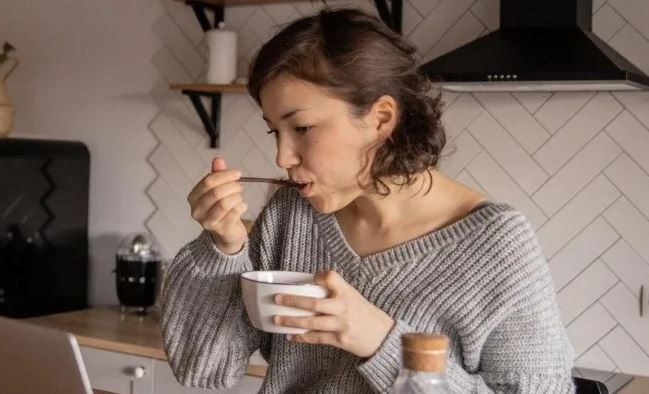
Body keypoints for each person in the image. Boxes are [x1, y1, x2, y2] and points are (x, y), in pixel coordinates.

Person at [161, 7, 575, 394]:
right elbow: (203, 368)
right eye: (275, 131)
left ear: (380, 119)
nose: (283, 157)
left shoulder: (496, 244)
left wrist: (381, 340)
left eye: (302, 127)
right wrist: (224, 247)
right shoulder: (291, 215)